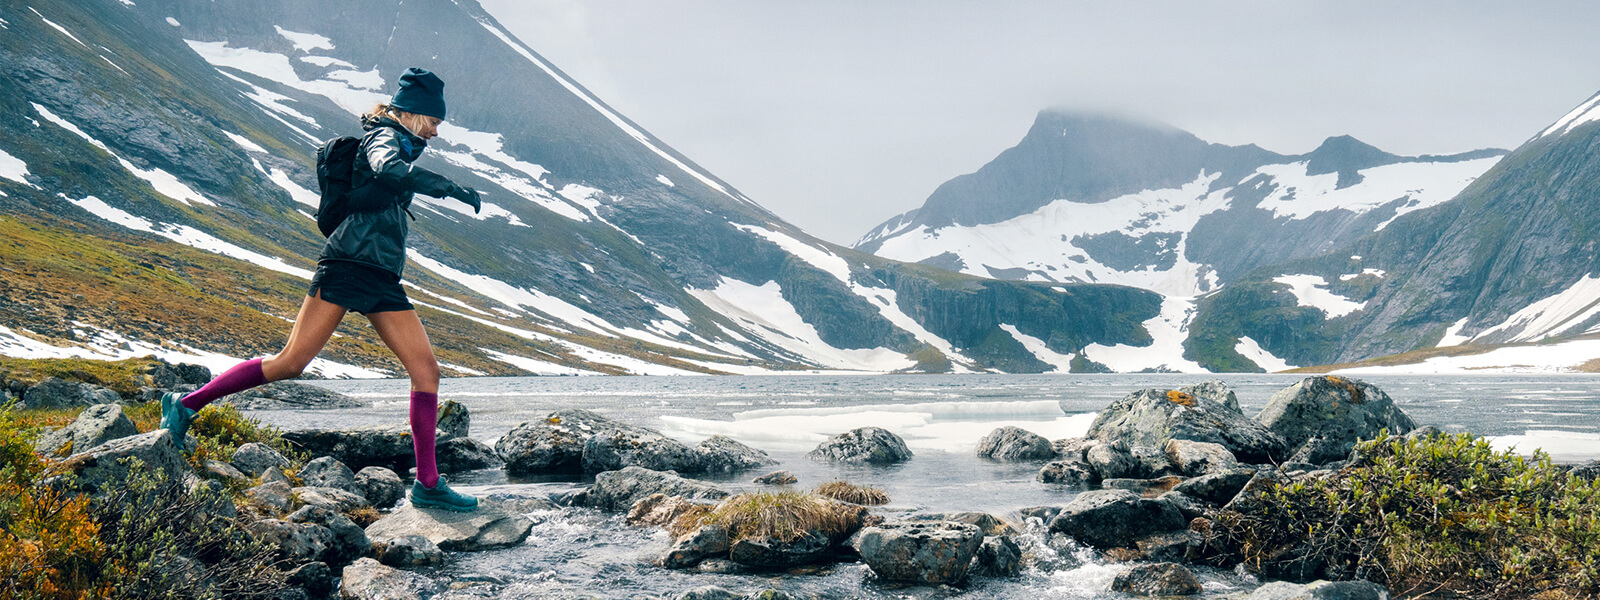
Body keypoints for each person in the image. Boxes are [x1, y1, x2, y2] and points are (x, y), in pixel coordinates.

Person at [161, 68, 484, 512]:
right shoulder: (384, 138)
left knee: (426, 370)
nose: (435, 130)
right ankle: (185, 405)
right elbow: (387, 169)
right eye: (432, 120)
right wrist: (447, 188)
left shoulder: (402, 141)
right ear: (409, 112)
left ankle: (427, 485)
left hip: (380, 275)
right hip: (347, 264)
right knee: (290, 362)